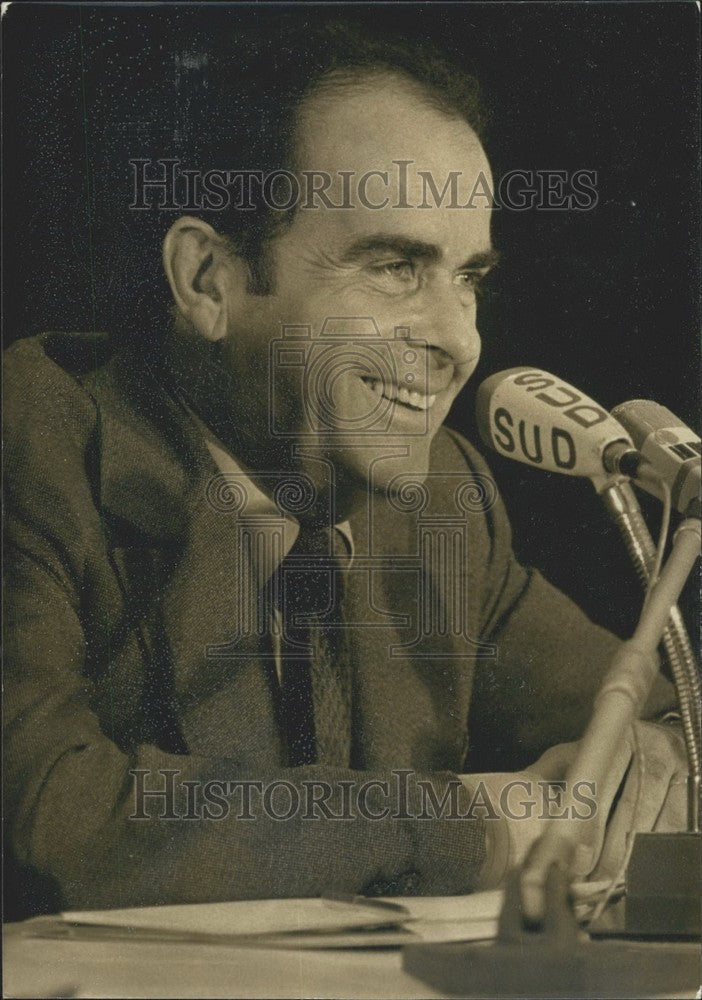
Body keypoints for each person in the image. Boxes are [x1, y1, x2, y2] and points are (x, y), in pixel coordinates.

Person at [4, 20, 684, 919]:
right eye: (397, 267)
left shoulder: (447, 497)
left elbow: (652, 707)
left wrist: (664, 750)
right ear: (209, 279)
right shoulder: (36, 442)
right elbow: (61, 817)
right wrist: (472, 826)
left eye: (469, 277)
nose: (458, 340)